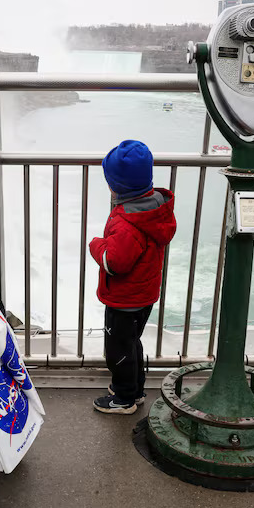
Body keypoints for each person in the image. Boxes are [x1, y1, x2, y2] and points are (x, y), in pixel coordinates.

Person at [88, 140, 176, 414]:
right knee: (131, 342)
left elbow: (114, 263)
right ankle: (135, 388)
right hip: (143, 295)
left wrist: (96, 244)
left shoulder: (127, 223)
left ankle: (124, 399)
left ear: (117, 186)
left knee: (118, 350)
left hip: (124, 300)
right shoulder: (152, 209)